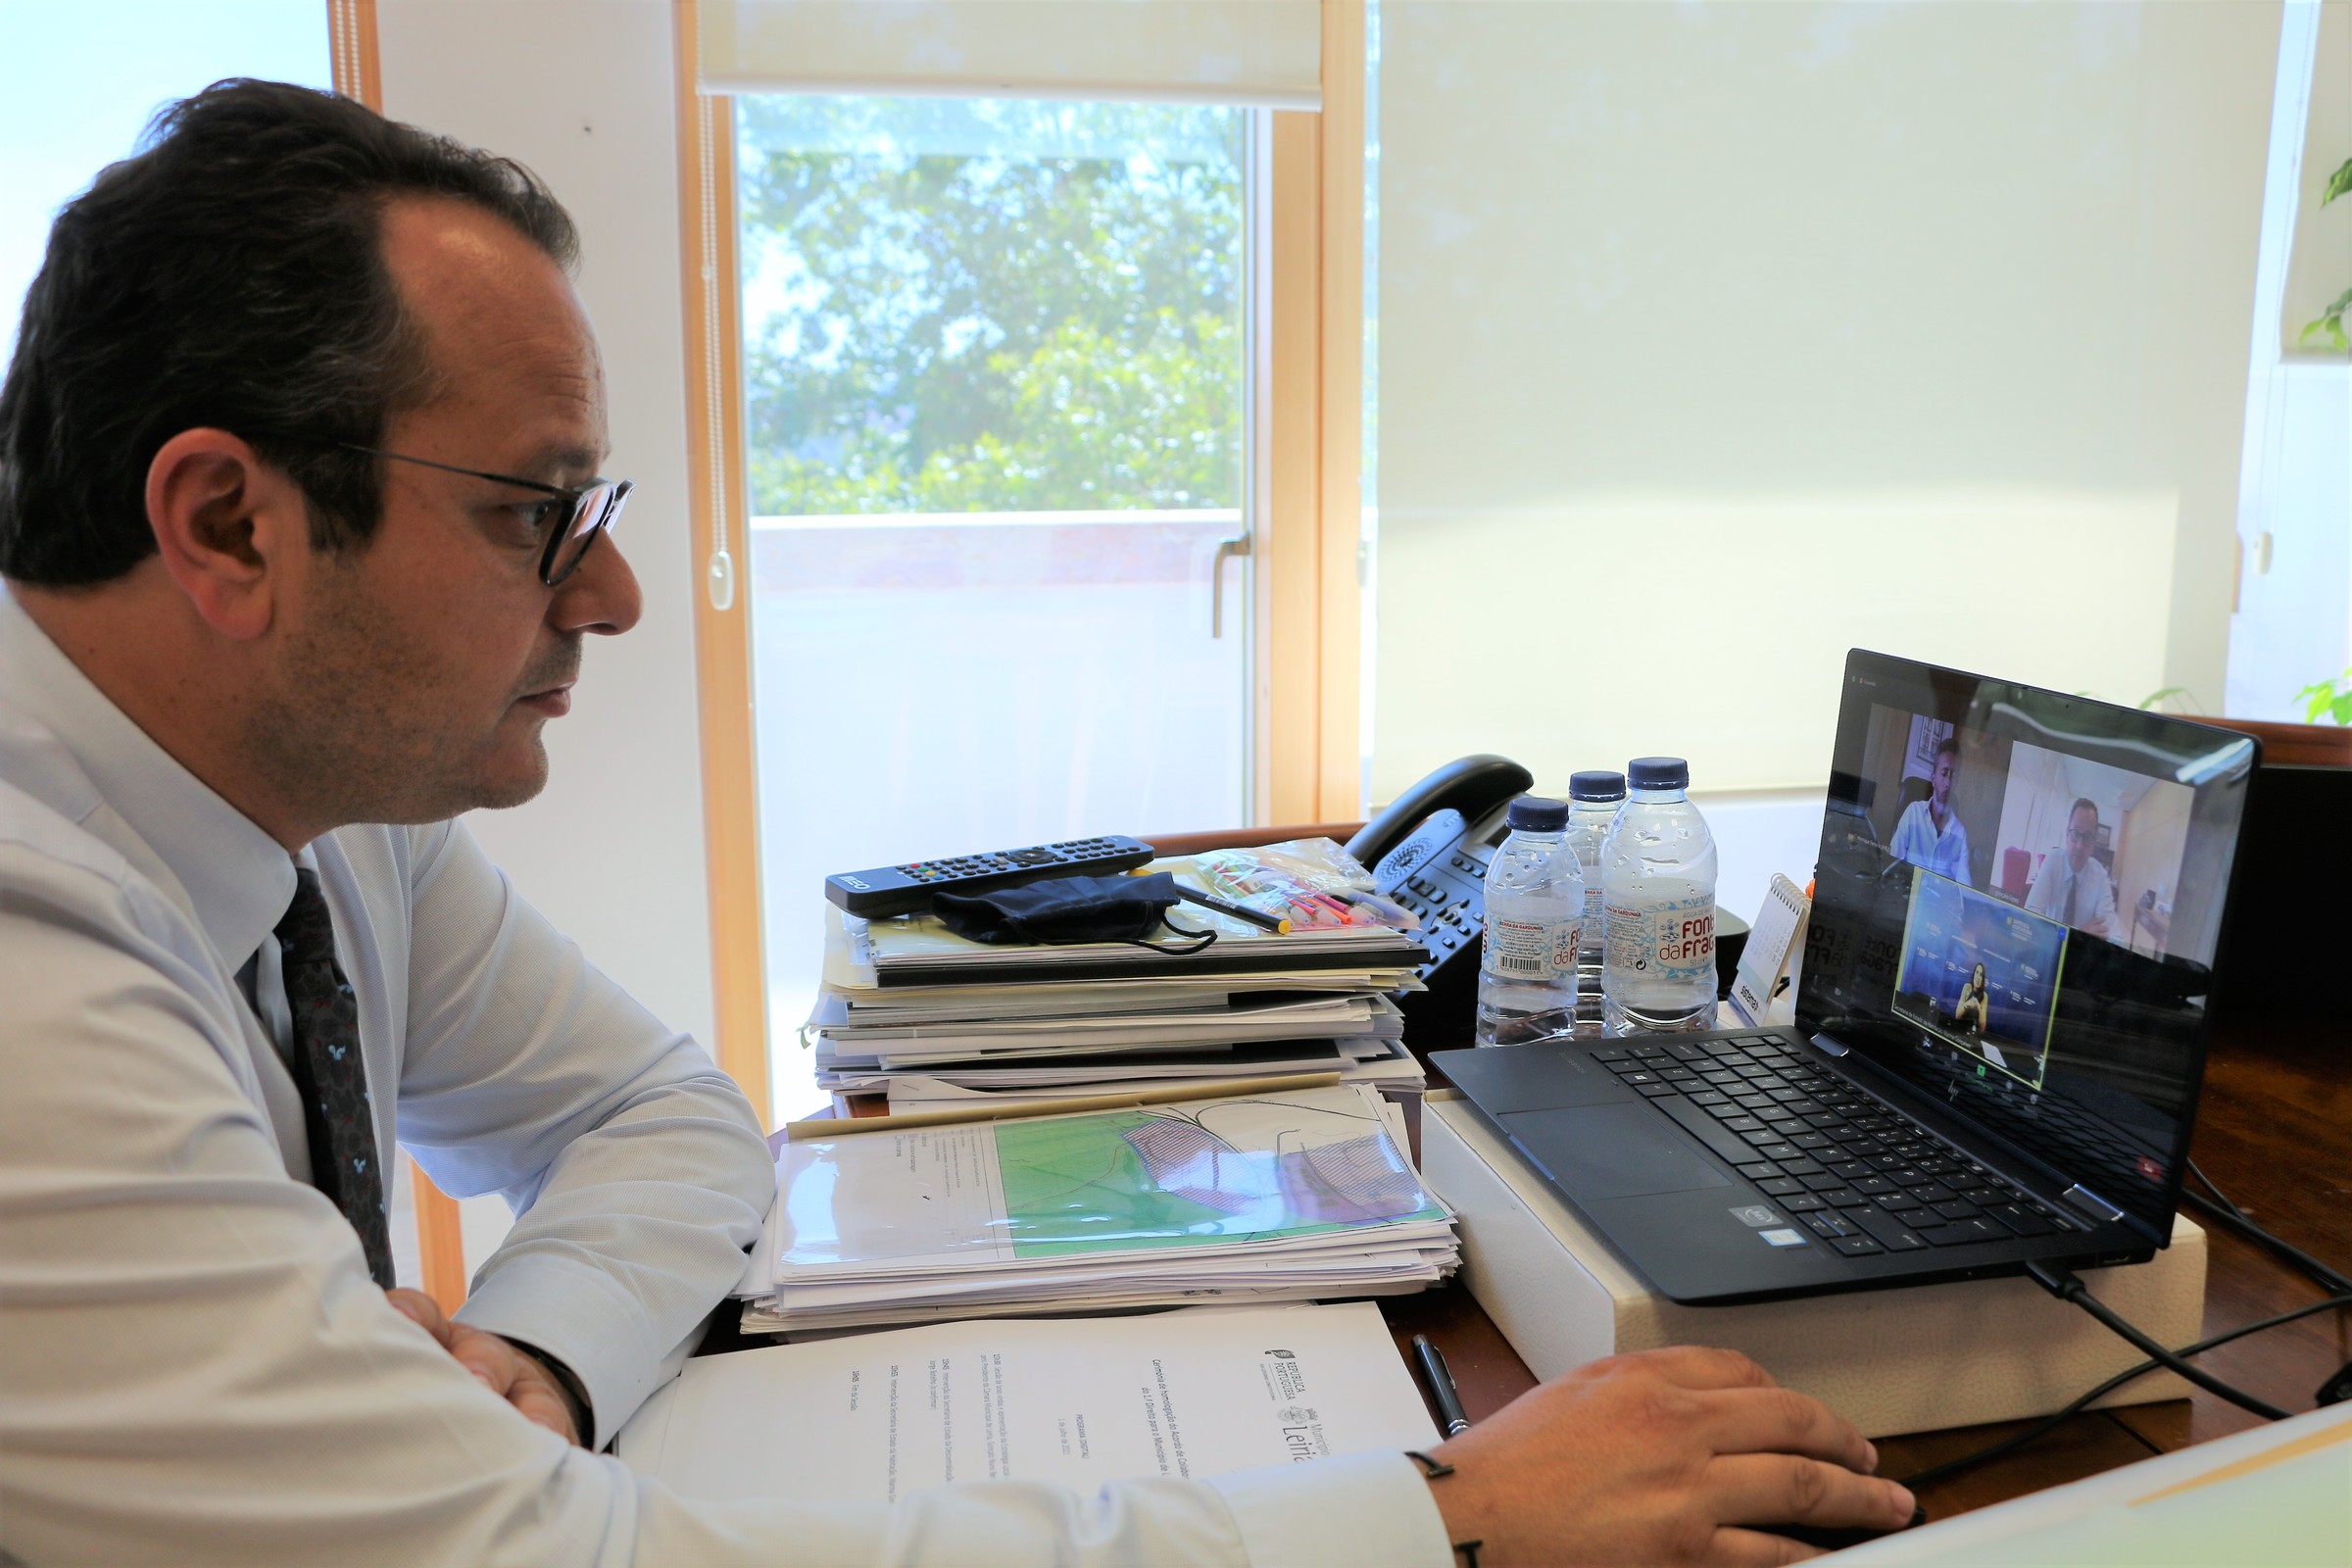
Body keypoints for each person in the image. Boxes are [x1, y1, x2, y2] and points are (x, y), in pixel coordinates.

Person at [0, 82, 1914, 1565]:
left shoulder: (327, 814)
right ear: (231, 525)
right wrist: (1440, 1517)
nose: (616, 595)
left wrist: (546, 1360)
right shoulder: (37, 999)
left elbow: (657, 1113)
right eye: (534, 513)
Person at [2022, 798, 2116, 939]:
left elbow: (2107, 930)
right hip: (2050, 945)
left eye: (2087, 837)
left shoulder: (2101, 876)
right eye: (2075, 833)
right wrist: (2077, 934)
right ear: (2067, 833)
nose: (2079, 845)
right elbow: (2030, 916)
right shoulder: (2053, 860)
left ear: (2094, 842)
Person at [1886, 735, 1971, 885]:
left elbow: (1964, 886)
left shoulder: (1960, 832)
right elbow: (1892, 862)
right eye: (1944, 774)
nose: (1948, 783)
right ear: (1933, 779)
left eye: (1954, 776)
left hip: (1940, 898)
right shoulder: (1913, 813)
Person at [1951, 961, 1991, 1035]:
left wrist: (1978, 1006)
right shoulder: (1967, 987)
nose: (1978, 977)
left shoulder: (1984, 996)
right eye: (1977, 972)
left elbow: (1982, 1028)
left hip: (1972, 1033)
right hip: (1959, 1029)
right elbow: (1957, 1015)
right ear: (1973, 975)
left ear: (1983, 979)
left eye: (1981, 975)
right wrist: (1968, 1004)